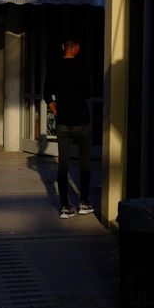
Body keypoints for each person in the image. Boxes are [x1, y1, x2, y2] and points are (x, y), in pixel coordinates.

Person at [43, 38, 94, 219]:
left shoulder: (54, 67)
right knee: (85, 163)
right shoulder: (84, 67)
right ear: (77, 48)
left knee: (63, 164)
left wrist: (55, 109)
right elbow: (88, 91)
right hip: (82, 120)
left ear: (63, 47)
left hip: (64, 121)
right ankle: (84, 202)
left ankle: (64, 206)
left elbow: (46, 93)